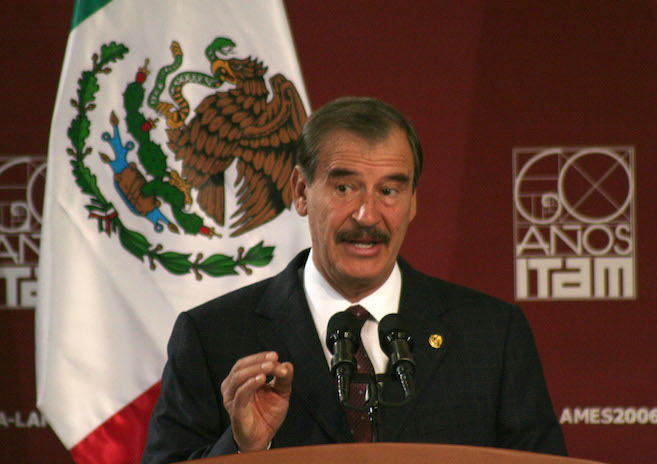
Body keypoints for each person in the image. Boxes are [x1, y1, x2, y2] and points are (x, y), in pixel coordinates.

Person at [141, 97, 567, 462]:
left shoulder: (491, 334)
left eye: (389, 191)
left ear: (414, 201)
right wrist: (243, 449)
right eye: (345, 188)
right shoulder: (213, 336)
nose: (367, 216)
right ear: (301, 191)